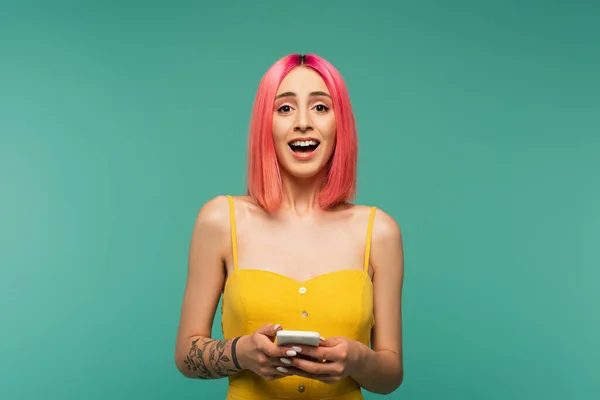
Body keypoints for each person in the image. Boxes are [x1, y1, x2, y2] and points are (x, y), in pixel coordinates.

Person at [174, 53, 405, 400]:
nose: (302, 123)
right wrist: (242, 354)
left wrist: (358, 360)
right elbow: (185, 356)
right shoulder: (220, 220)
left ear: (340, 122)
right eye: (284, 108)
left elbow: (390, 376)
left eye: (320, 108)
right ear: (265, 124)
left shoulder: (380, 232)